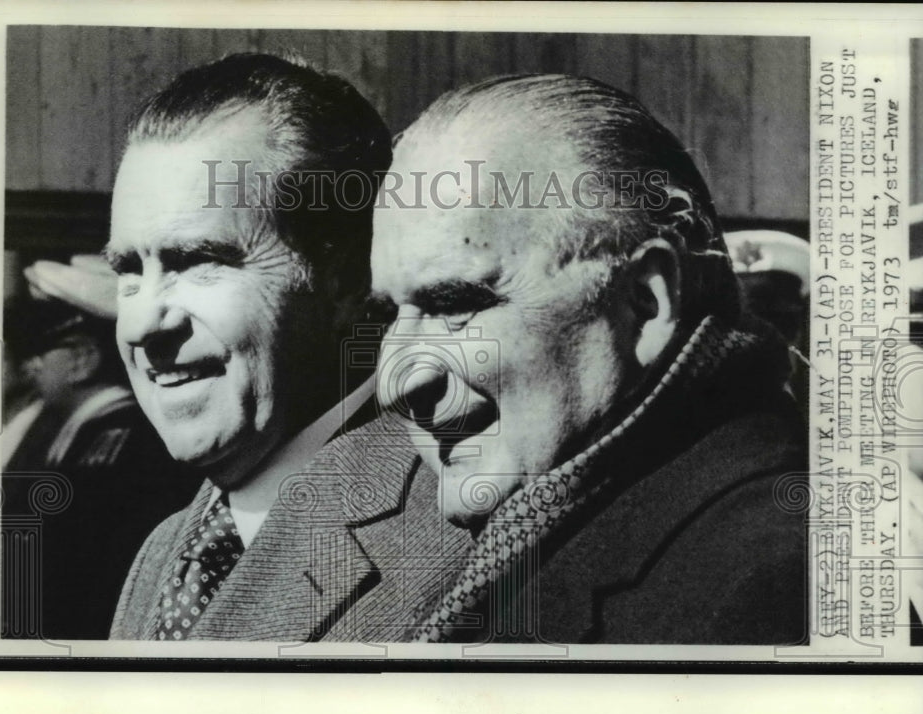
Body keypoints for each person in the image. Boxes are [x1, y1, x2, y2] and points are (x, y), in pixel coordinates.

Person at [370, 74, 808, 644]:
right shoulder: (509, 522)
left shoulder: (772, 584)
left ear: (645, 304)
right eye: (386, 315)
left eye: (455, 305)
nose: (395, 383)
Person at [109, 53, 471, 641]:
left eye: (198, 261)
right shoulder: (163, 553)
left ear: (348, 283)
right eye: (128, 269)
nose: (142, 325)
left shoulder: (452, 541)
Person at [1, 256, 198, 639]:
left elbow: (96, 580)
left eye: (39, 350)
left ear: (82, 359)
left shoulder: (124, 444)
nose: (30, 367)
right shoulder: (86, 433)